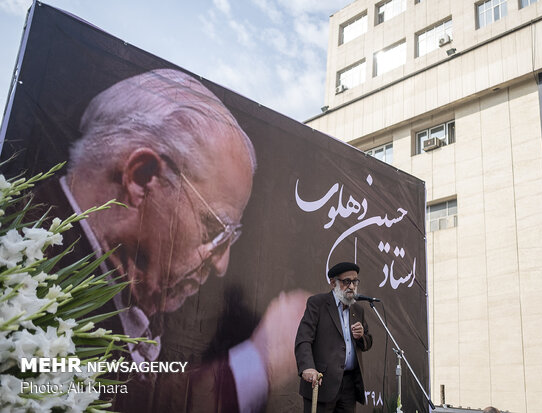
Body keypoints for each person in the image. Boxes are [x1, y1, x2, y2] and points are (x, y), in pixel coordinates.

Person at [38, 68, 307, 412]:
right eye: (214, 228)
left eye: (230, 237)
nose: (222, 264)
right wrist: (264, 360)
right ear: (141, 178)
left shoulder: (124, 291)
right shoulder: (28, 275)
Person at [295, 262, 373, 413]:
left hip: (349, 386)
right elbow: (303, 339)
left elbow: (368, 343)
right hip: (321, 384)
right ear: (333, 283)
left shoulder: (358, 309)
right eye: (346, 282)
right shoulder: (317, 304)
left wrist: (361, 336)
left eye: (355, 281)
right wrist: (307, 367)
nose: (352, 286)